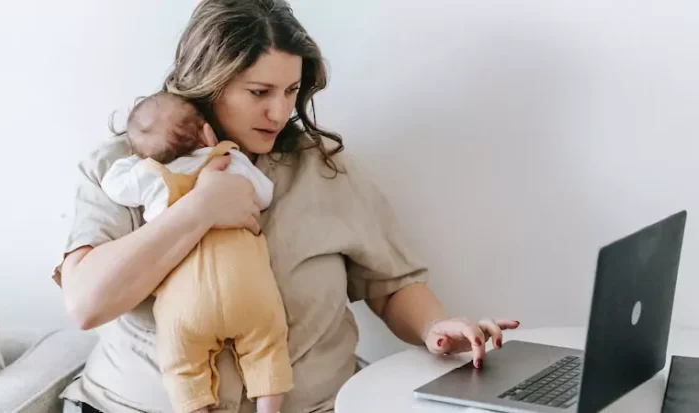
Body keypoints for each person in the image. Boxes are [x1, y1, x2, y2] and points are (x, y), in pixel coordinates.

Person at [53, 1, 520, 412]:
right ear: (207, 83)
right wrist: (198, 210)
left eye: (291, 91)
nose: (279, 112)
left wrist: (435, 327)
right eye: (259, 92)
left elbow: (391, 284)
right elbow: (87, 303)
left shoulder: (324, 171)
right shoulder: (124, 170)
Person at [99, 91, 292, 413]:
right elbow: (265, 195)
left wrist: (139, 157)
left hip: (186, 302)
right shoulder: (231, 160)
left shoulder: (151, 176)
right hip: (247, 288)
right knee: (268, 346)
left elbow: (114, 185)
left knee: (181, 365)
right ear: (207, 132)